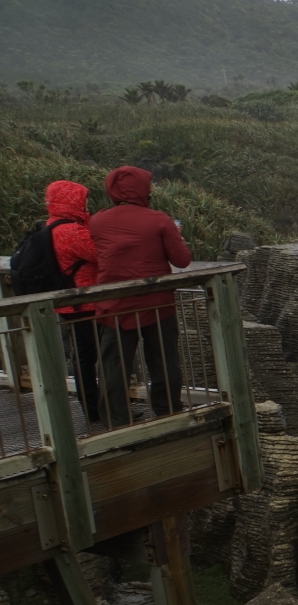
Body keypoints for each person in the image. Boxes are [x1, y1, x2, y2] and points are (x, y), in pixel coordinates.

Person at [90, 166, 191, 423]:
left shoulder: (97, 220)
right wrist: (175, 237)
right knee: (163, 360)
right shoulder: (159, 219)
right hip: (157, 303)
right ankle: (167, 410)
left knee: (113, 365)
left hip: (114, 304)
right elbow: (183, 260)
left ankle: (115, 419)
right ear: (143, 189)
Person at [42, 180, 105, 422]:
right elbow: (100, 253)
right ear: (72, 201)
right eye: (82, 200)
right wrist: (89, 221)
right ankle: (97, 410)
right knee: (92, 356)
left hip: (68, 302)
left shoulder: (51, 226)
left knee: (83, 355)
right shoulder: (71, 231)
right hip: (84, 302)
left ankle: (92, 409)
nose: (85, 204)